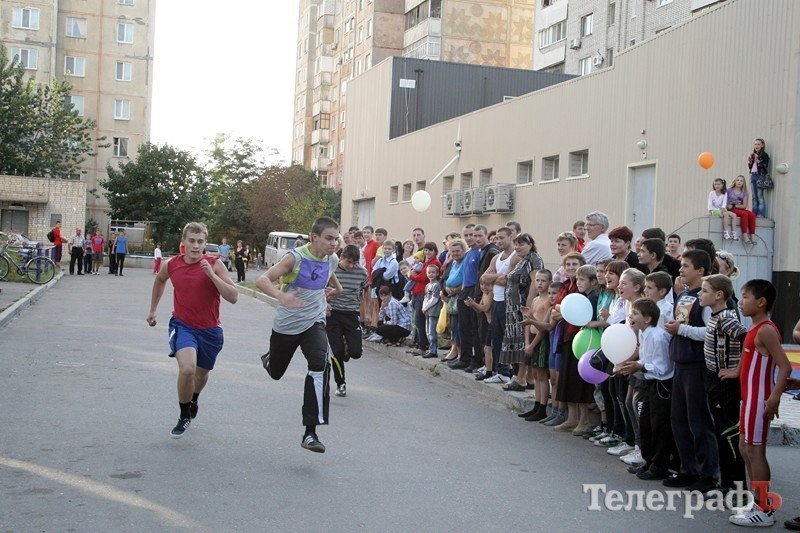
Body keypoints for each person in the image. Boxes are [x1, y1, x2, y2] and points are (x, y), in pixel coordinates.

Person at [257, 217, 342, 454]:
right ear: (314, 236)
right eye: (328, 238)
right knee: (276, 372)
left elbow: (327, 284)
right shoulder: (295, 258)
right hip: (286, 324)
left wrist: (327, 298)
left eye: (336, 239)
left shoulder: (332, 259)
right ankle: (270, 359)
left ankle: (310, 432)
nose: (334, 243)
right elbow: (262, 280)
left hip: (314, 322)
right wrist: (280, 296)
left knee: (320, 364)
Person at [146, 222, 238, 439]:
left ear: (205, 244)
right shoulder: (172, 264)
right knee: (187, 369)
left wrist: (212, 277)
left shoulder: (215, 265)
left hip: (210, 331)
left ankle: (194, 397)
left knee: (201, 373)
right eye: (192, 241)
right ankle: (184, 414)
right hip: (182, 325)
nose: (196, 246)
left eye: (200, 242)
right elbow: (159, 280)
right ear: (183, 243)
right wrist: (152, 310)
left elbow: (233, 297)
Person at [729, 280, 791, 527]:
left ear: (761, 302)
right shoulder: (755, 328)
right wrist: (736, 372)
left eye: (745, 297)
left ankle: (765, 509)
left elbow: (784, 366)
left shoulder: (766, 329)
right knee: (746, 448)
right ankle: (758, 502)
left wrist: (774, 398)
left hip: (759, 399)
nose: (741, 301)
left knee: (755, 451)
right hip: (749, 399)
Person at [662, 249, 720, 493]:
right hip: (681, 363)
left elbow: (710, 332)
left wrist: (681, 331)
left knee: (699, 422)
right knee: (679, 420)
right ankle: (687, 469)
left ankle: (708, 474)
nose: (681, 270)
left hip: (697, 365)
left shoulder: (705, 300)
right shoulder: (683, 294)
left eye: (686, 266)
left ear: (701, 271)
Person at [699, 274, 747, 493]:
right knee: (720, 434)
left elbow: (747, 339)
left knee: (728, 436)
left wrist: (737, 370)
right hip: (714, 379)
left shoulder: (726, 318)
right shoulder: (715, 315)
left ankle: (736, 488)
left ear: (719, 295)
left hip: (724, 384)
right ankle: (726, 484)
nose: (700, 294)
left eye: (705, 291)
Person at [619, 298, 676, 481]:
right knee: (645, 423)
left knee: (658, 426)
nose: (631, 316)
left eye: (635, 314)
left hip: (661, 385)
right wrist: (636, 364)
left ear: (648, 318)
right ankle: (648, 460)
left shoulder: (657, 336)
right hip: (649, 382)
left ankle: (660, 465)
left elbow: (663, 367)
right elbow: (646, 359)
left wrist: (640, 366)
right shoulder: (643, 334)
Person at [500, 234, 544, 390]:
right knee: (518, 342)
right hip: (513, 309)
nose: (518, 247)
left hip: (522, 308)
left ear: (530, 244)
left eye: (521, 244)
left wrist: (529, 304)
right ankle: (529, 378)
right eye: (516, 244)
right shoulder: (522, 260)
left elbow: (535, 282)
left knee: (522, 342)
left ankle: (521, 378)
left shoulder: (534, 259)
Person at [327, 244, 368, 398]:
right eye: (348, 262)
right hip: (333, 313)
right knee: (335, 352)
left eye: (354, 263)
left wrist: (367, 314)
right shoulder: (331, 270)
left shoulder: (362, 273)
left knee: (356, 353)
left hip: (351, 314)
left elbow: (365, 293)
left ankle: (347, 347)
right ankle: (341, 383)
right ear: (342, 257)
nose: (351, 266)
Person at [479, 227, 517, 382]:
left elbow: (507, 280)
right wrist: (497, 277)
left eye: (502, 238)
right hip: (497, 301)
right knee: (497, 337)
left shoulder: (515, 257)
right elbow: (483, 278)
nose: (499, 241)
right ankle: (500, 372)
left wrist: (493, 278)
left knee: (510, 338)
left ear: (510, 237)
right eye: (497, 238)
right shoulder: (497, 258)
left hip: (509, 302)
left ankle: (512, 372)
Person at [518, 269, 553, 421]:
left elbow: (543, 326)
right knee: (536, 374)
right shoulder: (535, 300)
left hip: (540, 338)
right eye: (537, 280)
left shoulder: (548, 301)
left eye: (543, 281)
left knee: (542, 375)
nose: (539, 283)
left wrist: (532, 345)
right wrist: (527, 342)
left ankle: (542, 408)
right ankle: (536, 405)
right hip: (531, 337)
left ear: (549, 282)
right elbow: (528, 322)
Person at [406, 242, 441, 355]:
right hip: (417, 293)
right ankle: (420, 344)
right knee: (417, 322)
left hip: (423, 294)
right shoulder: (425, 262)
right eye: (426, 250)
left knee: (420, 321)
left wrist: (410, 275)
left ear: (435, 251)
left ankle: (423, 346)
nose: (428, 252)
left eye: (430, 250)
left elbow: (422, 277)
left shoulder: (435, 262)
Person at [421, 264, 443, 359]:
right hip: (427, 311)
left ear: (437, 273)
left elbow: (434, 299)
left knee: (432, 332)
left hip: (434, 312)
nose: (431, 274)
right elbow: (426, 298)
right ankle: (431, 349)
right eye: (429, 272)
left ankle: (433, 350)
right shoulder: (427, 285)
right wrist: (424, 307)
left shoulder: (436, 285)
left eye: (433, 272)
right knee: (428, 331)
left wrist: (425, 307)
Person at [727, 175, 757, 244]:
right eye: (737, 180)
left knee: (752, 214)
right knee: (744, 214)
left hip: (737, 208)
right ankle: (745, 235)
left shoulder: (744, 193)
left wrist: (734, 205)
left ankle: (752, 234)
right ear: (735, 181)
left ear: (743, 183)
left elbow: (744, 206)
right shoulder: (729, 190)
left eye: (741, 181)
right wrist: (730, 206)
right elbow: (726, 203)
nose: (739, 182)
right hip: (731, 209)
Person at [747, 138, 770, 218]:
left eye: (758, 144)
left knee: (760, 195)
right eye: (755, 144)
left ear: (762, 145)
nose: (756, 146)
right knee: (754, 196)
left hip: (760, 176)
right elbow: (751, 167)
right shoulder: (753, 154)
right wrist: (750, 162)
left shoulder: (764, 155)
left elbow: (765, 166)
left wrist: (758, 160)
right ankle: (754, 213)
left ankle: (761, 214)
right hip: (753, 175)